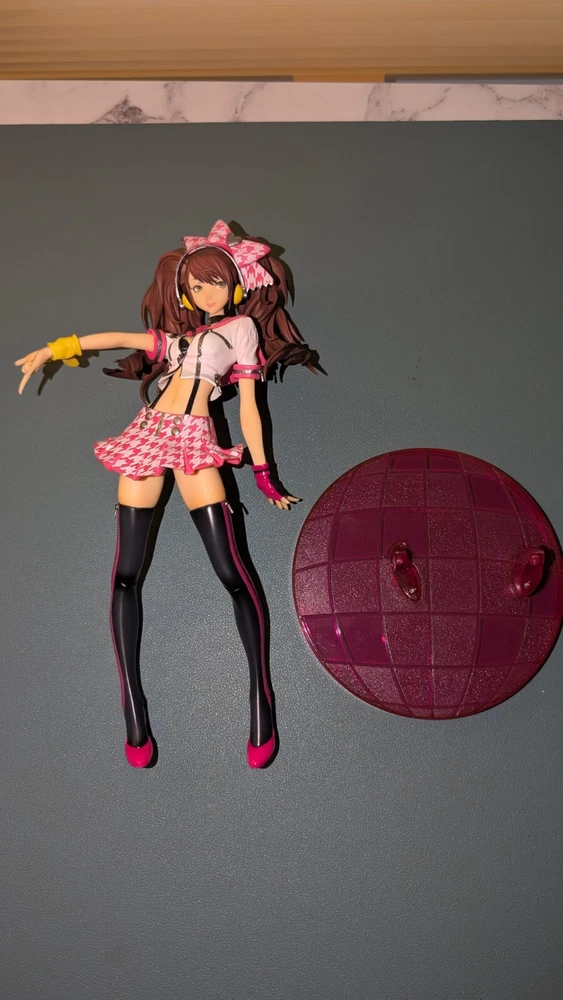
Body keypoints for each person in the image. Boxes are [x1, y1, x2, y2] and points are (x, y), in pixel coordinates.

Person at [15, 220, 318, 771]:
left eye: (216, 282)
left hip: (196, 441)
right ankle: (133, 708)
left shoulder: (242, 332)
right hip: (149, 434)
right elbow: (121, 338)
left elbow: (251, 408)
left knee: (233, 573)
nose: (207, 293)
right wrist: (57, 348)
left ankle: (260, 697)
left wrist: (263, 471)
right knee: (125, 575)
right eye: (197, 286)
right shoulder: (177, 343)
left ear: (236, 283)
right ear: (185, 292)